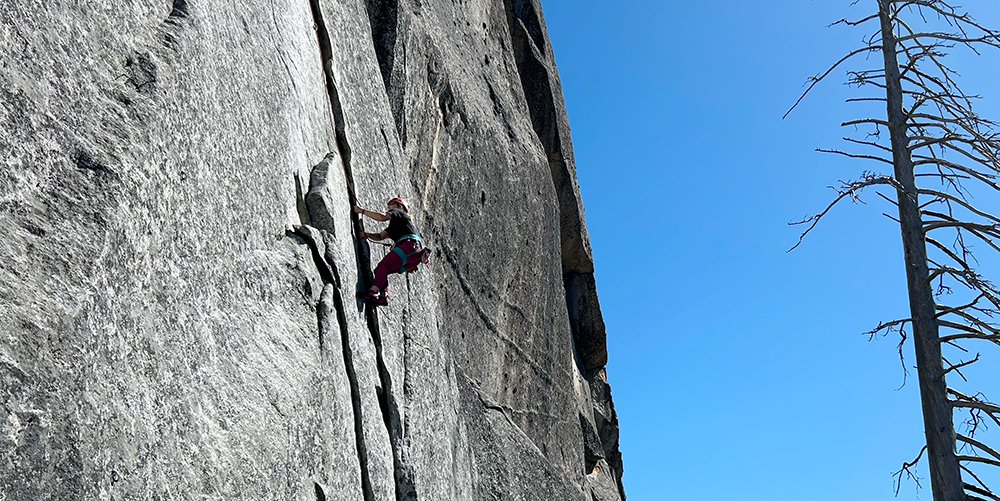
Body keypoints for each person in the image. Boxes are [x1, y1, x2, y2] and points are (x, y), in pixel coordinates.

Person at [354, 197, 429, 305]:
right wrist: (367, 235)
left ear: (399, 206)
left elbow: (382, 217)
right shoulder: (395, 226)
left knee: (383, 266)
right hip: (413, 256)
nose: (388, 207)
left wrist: (362, 211)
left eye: (391, 204)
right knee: (381, 271)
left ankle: (373, 292)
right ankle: (383, 297)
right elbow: (380, 236)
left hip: (409, 246)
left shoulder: (399, 212)